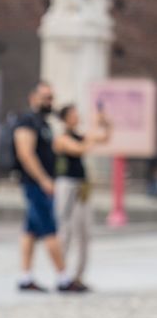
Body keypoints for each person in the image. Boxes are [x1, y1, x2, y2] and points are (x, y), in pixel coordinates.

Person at [14, 81, 81, 293]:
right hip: (36, 184)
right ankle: (63, 277)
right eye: (46, 97)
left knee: (31, 230)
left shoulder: (43, 123)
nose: (50, 101)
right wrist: (43, 180)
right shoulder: (27, 121)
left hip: (40, 184)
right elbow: (26, 153)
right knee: (50, 228)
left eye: (52, 97)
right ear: (33, 98)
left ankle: (25, 277)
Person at [53, 103, 110, 291]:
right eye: (74, 114)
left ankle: (78, 276)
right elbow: (79, 149)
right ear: (65, 118)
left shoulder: (81, 135)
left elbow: (104, 138)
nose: (77, 117)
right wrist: (92, 135)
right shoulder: (62, 138)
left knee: (84, 232)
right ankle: (62, 275)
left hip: (82, 186)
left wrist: (104, 122)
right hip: (67, 186)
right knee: (66, 230)